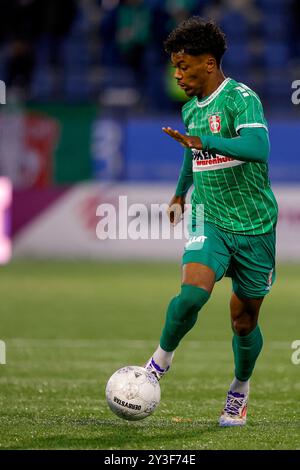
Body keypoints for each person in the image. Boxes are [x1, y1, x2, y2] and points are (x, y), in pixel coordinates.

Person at [145, 16, 278, 427]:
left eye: (183, 65)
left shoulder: (241, 98)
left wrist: (207, 141)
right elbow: (191, 152)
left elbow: (259, 147)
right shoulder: (190, 110)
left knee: (244, 320)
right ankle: (156, 366)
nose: (178, 74)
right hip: (210, 216)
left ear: (209, 62)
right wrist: (180, 193)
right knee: (193, 294)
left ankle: (239, 389)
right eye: (174, 67)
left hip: (255, 226)